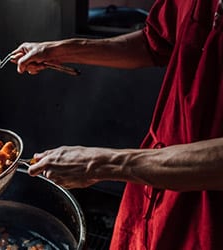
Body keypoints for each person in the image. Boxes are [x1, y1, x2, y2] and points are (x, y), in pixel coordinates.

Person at [11, 0, 223, 249]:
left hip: (210, 215)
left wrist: (100, 164)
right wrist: (60, 50)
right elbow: (154, 43)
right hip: (154, 176)